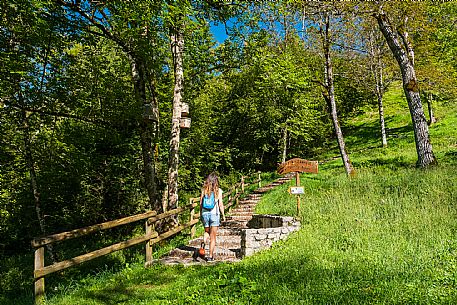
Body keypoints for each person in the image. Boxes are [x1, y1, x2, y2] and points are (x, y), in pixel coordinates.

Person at [200, 172, 225, 261]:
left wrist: (201, 214)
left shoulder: (204, 190)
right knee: (213, 237)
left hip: (205, 214)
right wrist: (223, 215)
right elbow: (220, 204)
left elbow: (200, 204)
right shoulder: (219, 191)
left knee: (207, 232)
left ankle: (203, 241)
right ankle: (210, 256)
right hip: (214, 214)